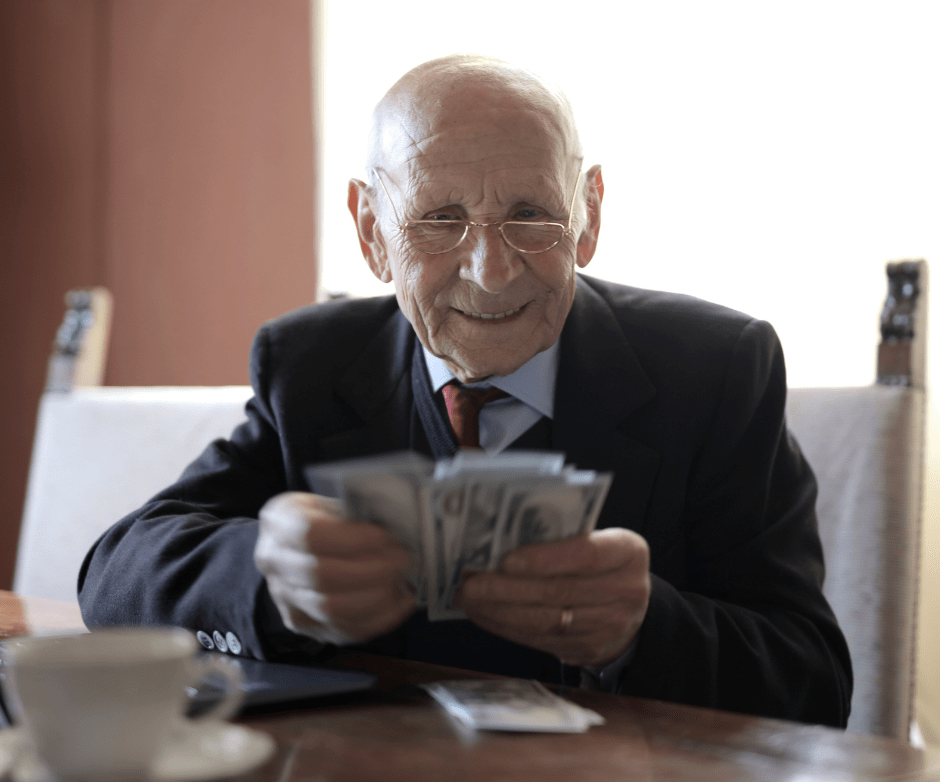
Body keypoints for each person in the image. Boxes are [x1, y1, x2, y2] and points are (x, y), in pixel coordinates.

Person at [78, 55, 852, 727]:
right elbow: (114, 574)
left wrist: (642, 628)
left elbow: (813, 682)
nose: (490, 269)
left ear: (588, 216)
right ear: (372, 232)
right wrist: (267, 576)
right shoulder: (312, 367)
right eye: (439, 219)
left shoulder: (716, 370)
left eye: (531, 215)